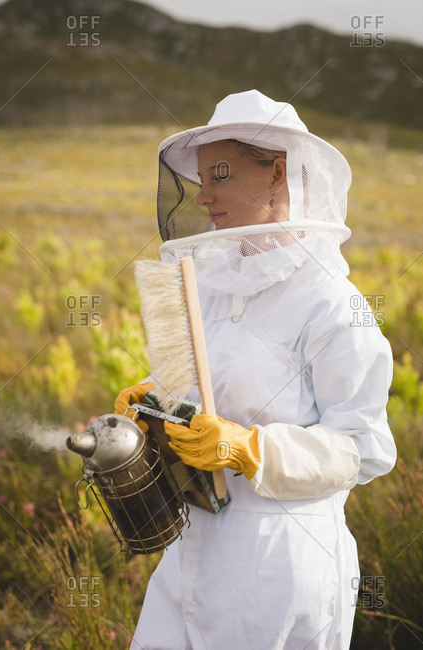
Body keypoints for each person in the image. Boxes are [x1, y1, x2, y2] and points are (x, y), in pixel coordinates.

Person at [114, 90, 396, 650]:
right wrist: (153, 402)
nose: (204, 197)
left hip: (280, 567)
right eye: (199, 180)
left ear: (279, 173)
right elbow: (198, 391)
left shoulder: (334, 305)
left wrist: (250, 448)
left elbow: (364, 447)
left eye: (219, 175)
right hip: (190, 553)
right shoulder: (212, 289)